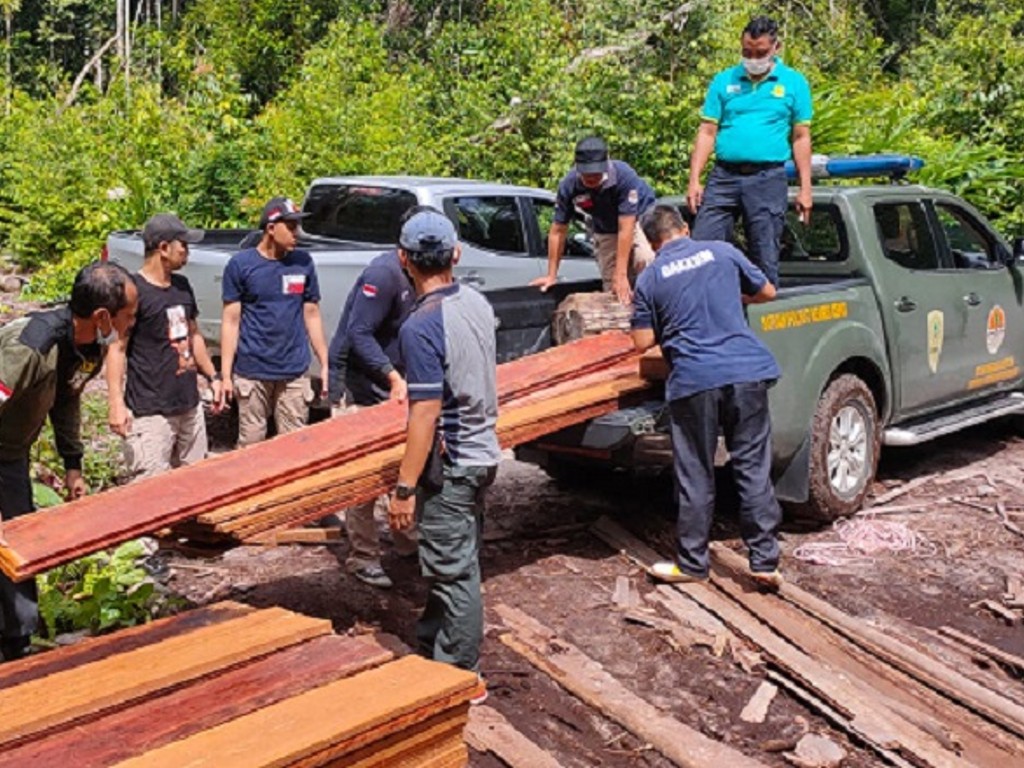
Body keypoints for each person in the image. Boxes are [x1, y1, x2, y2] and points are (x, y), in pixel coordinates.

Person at [632, 205, 783, 587]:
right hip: (747, 372)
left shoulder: (650, 278)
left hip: (695, 381)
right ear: (685, 229)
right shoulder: (722, 251)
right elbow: (767, 291)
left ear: (652, 243)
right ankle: (764, 562)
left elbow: (642, 341)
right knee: (752, 466)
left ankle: (693, 564)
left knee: (696, 472)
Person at [0, 261, 138, 661]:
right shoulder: (28, 347)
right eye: (127, 316)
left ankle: (16, 644)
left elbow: (66, 401)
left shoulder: (85, 348)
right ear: (102, 316)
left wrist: (72, 465)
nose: (129, 324)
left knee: (17, 547)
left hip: (9, 455)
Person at [387, 210, 500, 685]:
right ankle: (433, 638)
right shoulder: (475, 301)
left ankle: (459, 675)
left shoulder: (420, 326)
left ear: (403, 260)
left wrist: (404, 488)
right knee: (452, 558)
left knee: (454, 573)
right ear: (455, 253)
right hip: (484, 452)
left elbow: (426, 413)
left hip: (453, 462)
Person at [326, 207, 431, 589]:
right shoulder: (382, 275)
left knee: (402, 465)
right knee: (365, 477)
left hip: (396, 387)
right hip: (362, 386)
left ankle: (406, 541)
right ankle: (363, 555)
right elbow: (359, 333)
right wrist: (392, 376)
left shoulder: (422, 273)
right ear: (404, 249)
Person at [687, 16, 813, 287]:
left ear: (775, 48)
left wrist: (805, 188)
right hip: (724, 176)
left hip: (767, 178)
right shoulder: (724, 81)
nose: (753, 58)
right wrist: (695, 179)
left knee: (764, 249)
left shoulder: (793, 83)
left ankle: (762, 313)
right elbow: (707, 131)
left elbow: (801, 137)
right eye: (747, 52)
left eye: (760, 53)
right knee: (701, 247)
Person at [106, 214, 221, 480]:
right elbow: (117, 349)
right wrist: (115, 403)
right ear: (163, 248)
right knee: (151, 493)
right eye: (184, 245)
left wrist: (212, 377)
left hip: (188, 405)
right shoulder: (134, 292)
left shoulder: (182, 286)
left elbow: (194, 335)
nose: (188, 252)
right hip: (151, 412)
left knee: (195, 486)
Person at [218, 197, 330, 446]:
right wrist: (226, 375)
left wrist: (324, 362)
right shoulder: (241, 265)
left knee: (294, 446)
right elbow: (231, 321)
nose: (296, 234)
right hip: (252, 371)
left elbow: (311, 313)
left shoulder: (303, 263)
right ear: (270, 228)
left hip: (293, 371)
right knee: (251, 447)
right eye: (290, 227)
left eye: (297, 227)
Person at [531, 136, 656, 305]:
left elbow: (626, 227)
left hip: (636, 219)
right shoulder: (569, 185)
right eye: (586, 173)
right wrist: (551, 275)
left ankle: (650, 306)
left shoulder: (623, 176)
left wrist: (622, 275)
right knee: (613, 285)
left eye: (596, 173)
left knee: (644, 258)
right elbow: (558, 231)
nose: (591, 178)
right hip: (605, 227)